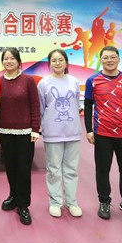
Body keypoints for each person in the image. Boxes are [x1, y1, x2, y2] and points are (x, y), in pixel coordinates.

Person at [84, 46, 122, 221]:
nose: (109, 60)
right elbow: (87, 106)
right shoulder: (92, 80)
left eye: (112, 57)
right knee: (102, 170)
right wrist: (89, 130)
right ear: (100, 60)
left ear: (118, 59)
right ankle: (104, 201)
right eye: (105, 57)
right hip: (102, 133)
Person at [0, 47, 40, 225]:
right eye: (5, 59)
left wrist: (35, 129)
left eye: (12, 58)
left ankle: (24, 204)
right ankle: (13, 196)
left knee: (23, 169)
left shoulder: (28, 80)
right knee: (10, 167)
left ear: (18, 61)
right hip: (5, 131)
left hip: (25, 132)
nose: (9, 61)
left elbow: (35, 105)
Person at [37, 49, 83, 218]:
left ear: (66, 62)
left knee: (71, 169)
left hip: (73, 132)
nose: (57, 63)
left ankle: (71, 202)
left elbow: (75, 105)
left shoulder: (74, 81)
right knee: (53, 169)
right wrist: (43, 126)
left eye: (60, 60)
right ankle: (55, 202)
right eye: (54, 60)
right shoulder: (43, 83)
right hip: (52, 133)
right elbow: (41, 108)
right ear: (49, 63)